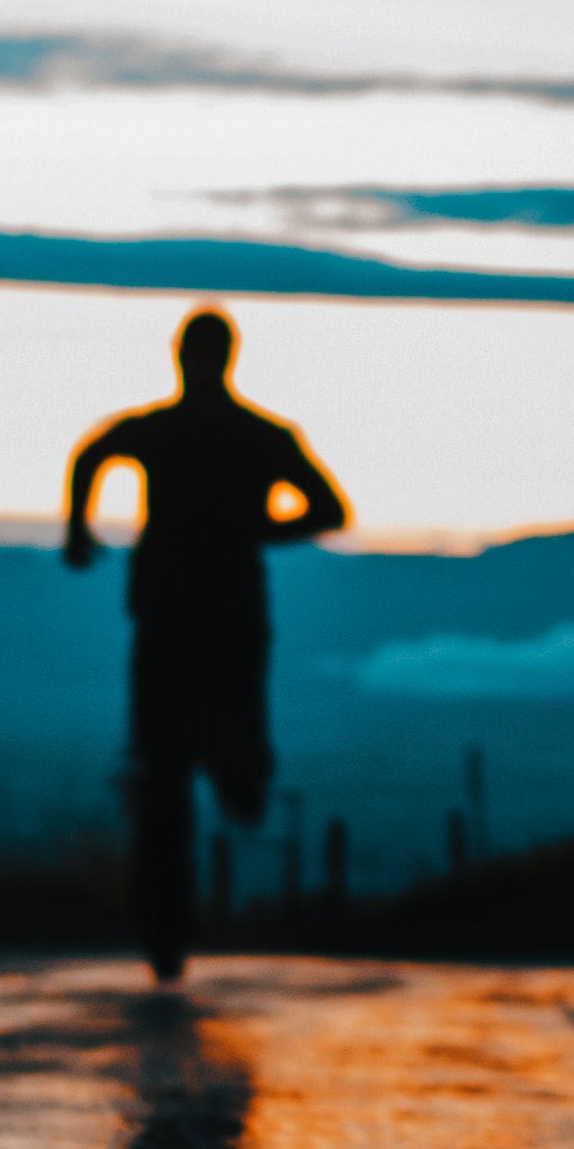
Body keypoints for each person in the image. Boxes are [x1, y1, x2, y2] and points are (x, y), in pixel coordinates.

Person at [63, 308, 350, 982]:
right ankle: (225, 783)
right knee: (186, 763)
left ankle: (167, 922)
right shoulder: (263, 437)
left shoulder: (160, 432)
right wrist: (254, 527)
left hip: (170, 613)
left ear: (182, 358)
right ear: (228, 358)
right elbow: (326, 509)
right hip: (227, 611)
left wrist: (78, 530)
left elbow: (91, 455)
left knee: (162, 767)